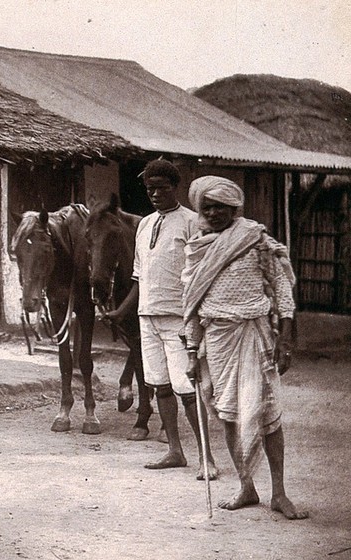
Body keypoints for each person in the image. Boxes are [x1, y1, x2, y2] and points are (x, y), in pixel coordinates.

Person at [183, 175, 307, 519]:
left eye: (220, 206)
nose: (213, 212)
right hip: (217, 341)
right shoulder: (197, 248)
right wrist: (192, 353)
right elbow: (190, 304)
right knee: (229, 414)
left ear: (234, 207)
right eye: (206, 207)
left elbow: (281, 290)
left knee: (267, 414)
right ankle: (246, 487)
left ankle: (279, 493)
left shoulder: (255, 240)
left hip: (255, 335)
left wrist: (284, 337)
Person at [106, 159, 217, 479]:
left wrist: (199, 317)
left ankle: (207, 459)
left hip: (180, 318)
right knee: (161, 387)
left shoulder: (193, 222)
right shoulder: (144, 224)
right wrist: (121, 311)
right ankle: (174, 450)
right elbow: (140, 277)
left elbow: (203, 274)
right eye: (149, 188)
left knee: (187, 389)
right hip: (148, 317)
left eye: (161, 188)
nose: (154, 194)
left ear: (175, 188)